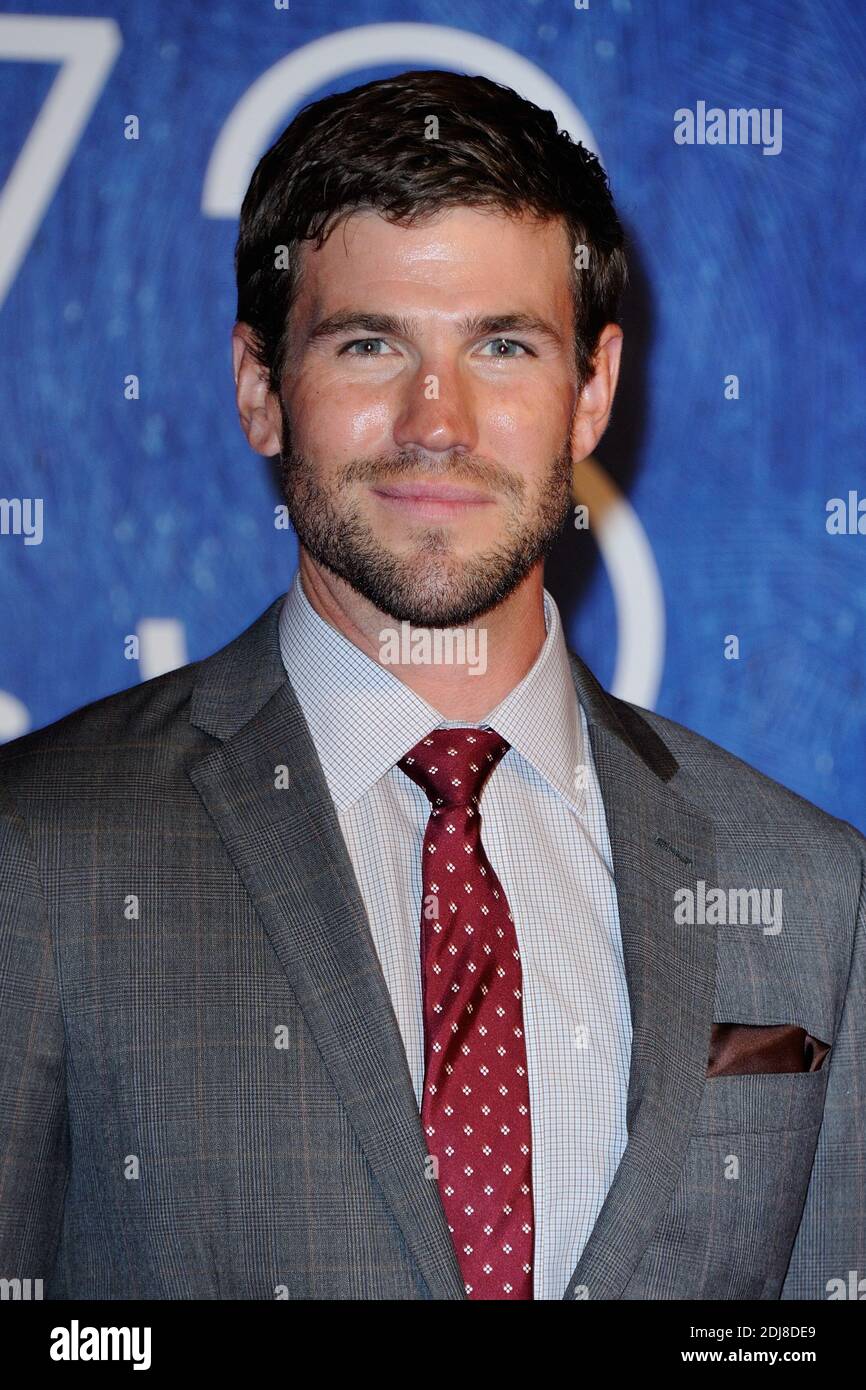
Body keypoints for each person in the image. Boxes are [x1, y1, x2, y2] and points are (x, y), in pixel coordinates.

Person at [0, 70, 863, 1302]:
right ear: (259, 389)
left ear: (594, 389)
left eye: (501, 346)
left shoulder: (810, 890)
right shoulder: (39, 849)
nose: (436, 421)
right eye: (369, 344)